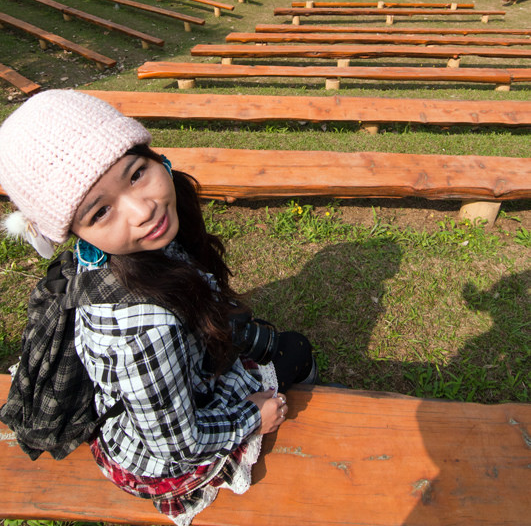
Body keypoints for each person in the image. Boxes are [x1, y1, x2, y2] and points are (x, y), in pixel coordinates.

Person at [0, 89, 317, 525]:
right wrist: (252, 417)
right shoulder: (142, 331)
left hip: (165, 397)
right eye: (100, 212)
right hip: (160, 455)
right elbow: (178, 445)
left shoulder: (121, 255)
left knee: (261, 341)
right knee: (295, 352)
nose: (143, 210)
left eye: (135, 175)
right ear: (74, 231)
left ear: (151, 155)